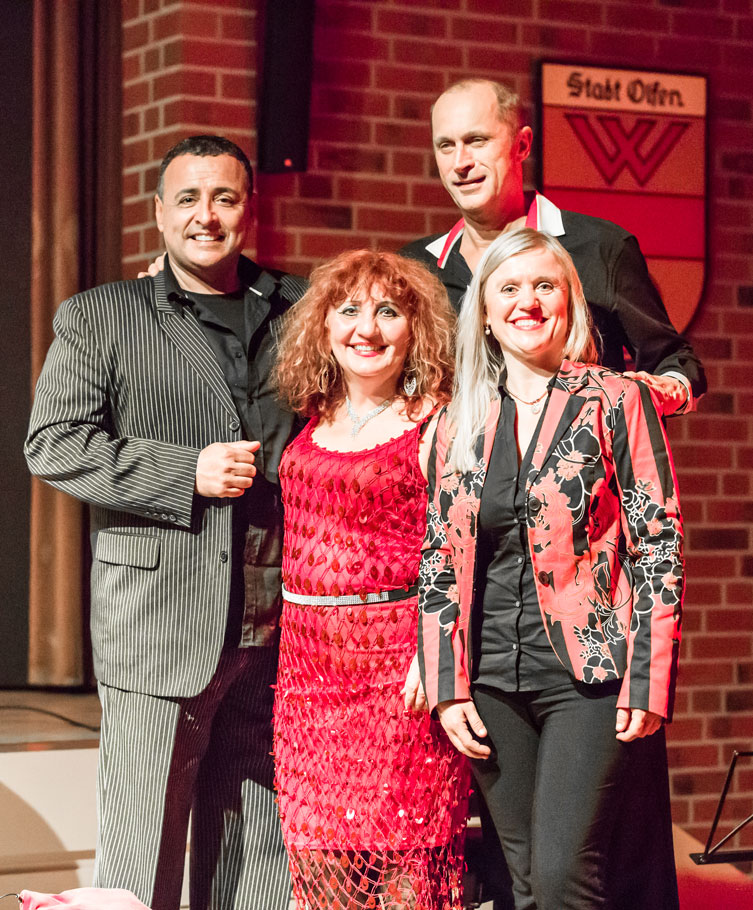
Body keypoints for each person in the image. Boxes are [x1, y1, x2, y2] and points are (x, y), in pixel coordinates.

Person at [24, 136, 306, 910]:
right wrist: (184, 472)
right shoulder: (102, 316)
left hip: (280, 623)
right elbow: (51, 445)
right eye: (187, 198)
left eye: (224, 197)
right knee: (139, 862)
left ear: (249, 208)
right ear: (157, 213)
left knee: (260, 862)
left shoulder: (302, 308)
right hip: (159, 624)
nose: (205, 215)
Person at [418, 228, 684, 910]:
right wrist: (446, 686)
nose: (527, 302)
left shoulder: (614, 399)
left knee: (567, 872)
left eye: (545, 286)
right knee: (527, 881)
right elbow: (438, 556)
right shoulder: (457, 420)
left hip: (587, 675)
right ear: (483, 309)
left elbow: (657, 539)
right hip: (489, 684)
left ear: (569, 302)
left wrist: (649, 678)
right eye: (508, 288)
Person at [272, 249, 470, 909]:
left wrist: (433, 646)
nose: (367, 327)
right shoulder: (310, 410)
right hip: (307, 673)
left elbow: (462, 545)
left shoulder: (436, 417)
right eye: (348, 309)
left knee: (403, 865)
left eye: (388, 311)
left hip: (396, 671)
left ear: (415, 329)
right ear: (324, 324)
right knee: (320, 866)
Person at [400, 77, 706, 417]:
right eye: (446, 146)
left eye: (477, 141)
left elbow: (674, 362)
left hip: (581, 467)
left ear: (522, 144)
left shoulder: (600, 247)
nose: (461, 162)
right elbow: (401, 380)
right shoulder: (414, 269)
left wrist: (643, 399)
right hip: (452, 468)